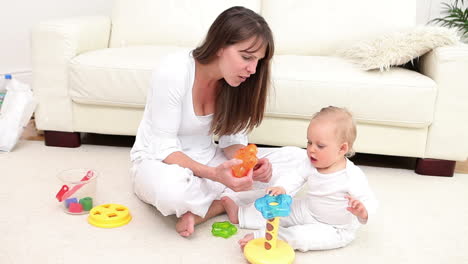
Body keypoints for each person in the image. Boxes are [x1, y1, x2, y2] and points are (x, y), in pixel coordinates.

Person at [130, 6, 306, 237]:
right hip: (161, 161)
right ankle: (228, 196)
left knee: (300, 160)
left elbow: (231, 143)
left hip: (211, 159)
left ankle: (215, 205)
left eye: (258, 61)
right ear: (221, 46)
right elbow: (163, 148)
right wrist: (215, 175)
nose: (252, 70)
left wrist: (250, 165)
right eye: (246, 57)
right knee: (171, 192)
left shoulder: (237, 83)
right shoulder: (173, 71)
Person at [222, 106, 379, 251]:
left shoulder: (351, 175)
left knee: (300, 237)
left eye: (320, 146)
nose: (311, 149)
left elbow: (369, 201)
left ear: (342, 148)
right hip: (308, 209)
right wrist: (282, 188)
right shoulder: (310, 163)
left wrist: (363, 211)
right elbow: (295, 176)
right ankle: (241, 215)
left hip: (334, 228)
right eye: (309, 142)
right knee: (277, 210)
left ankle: (263, 238)